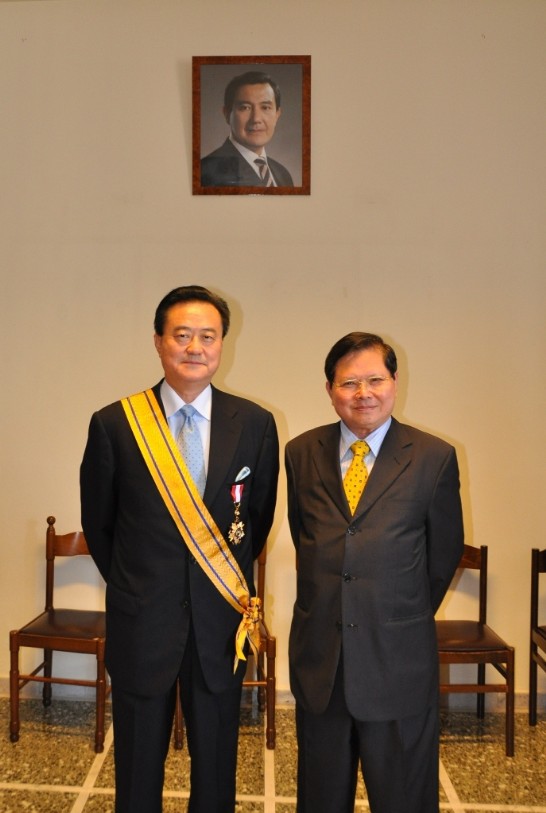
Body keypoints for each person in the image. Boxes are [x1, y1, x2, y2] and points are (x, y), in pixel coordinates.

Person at [80, 285, 279, 813]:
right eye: (182, 335)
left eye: (207, 336)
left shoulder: (255, 424)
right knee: (137, 767)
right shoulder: (115, 424)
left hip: (220, 623)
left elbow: (256, 520)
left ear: (222, 345)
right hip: (142, 620)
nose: (195, 347)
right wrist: (141, 584)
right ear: (158, 341)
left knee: (216, 768)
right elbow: (100, 526)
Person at [285, 332, 464, 813]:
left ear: (395, 382)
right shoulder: (300, 453)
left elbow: (441, 557)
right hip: (322, 662)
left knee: (403, 799)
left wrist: (391, 611)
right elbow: (306, 539)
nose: (362, 393)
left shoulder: (433, 457)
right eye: (348, 383)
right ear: (329, 389)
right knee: (320, 799)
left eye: (374, 380)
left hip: (396, 662)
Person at [200, 70, 294, 188]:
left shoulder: (283, 174)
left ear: (277, 115)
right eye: (245, 107)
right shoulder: (205, 173)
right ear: (227, 114)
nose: (256, 119)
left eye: (265, 107)